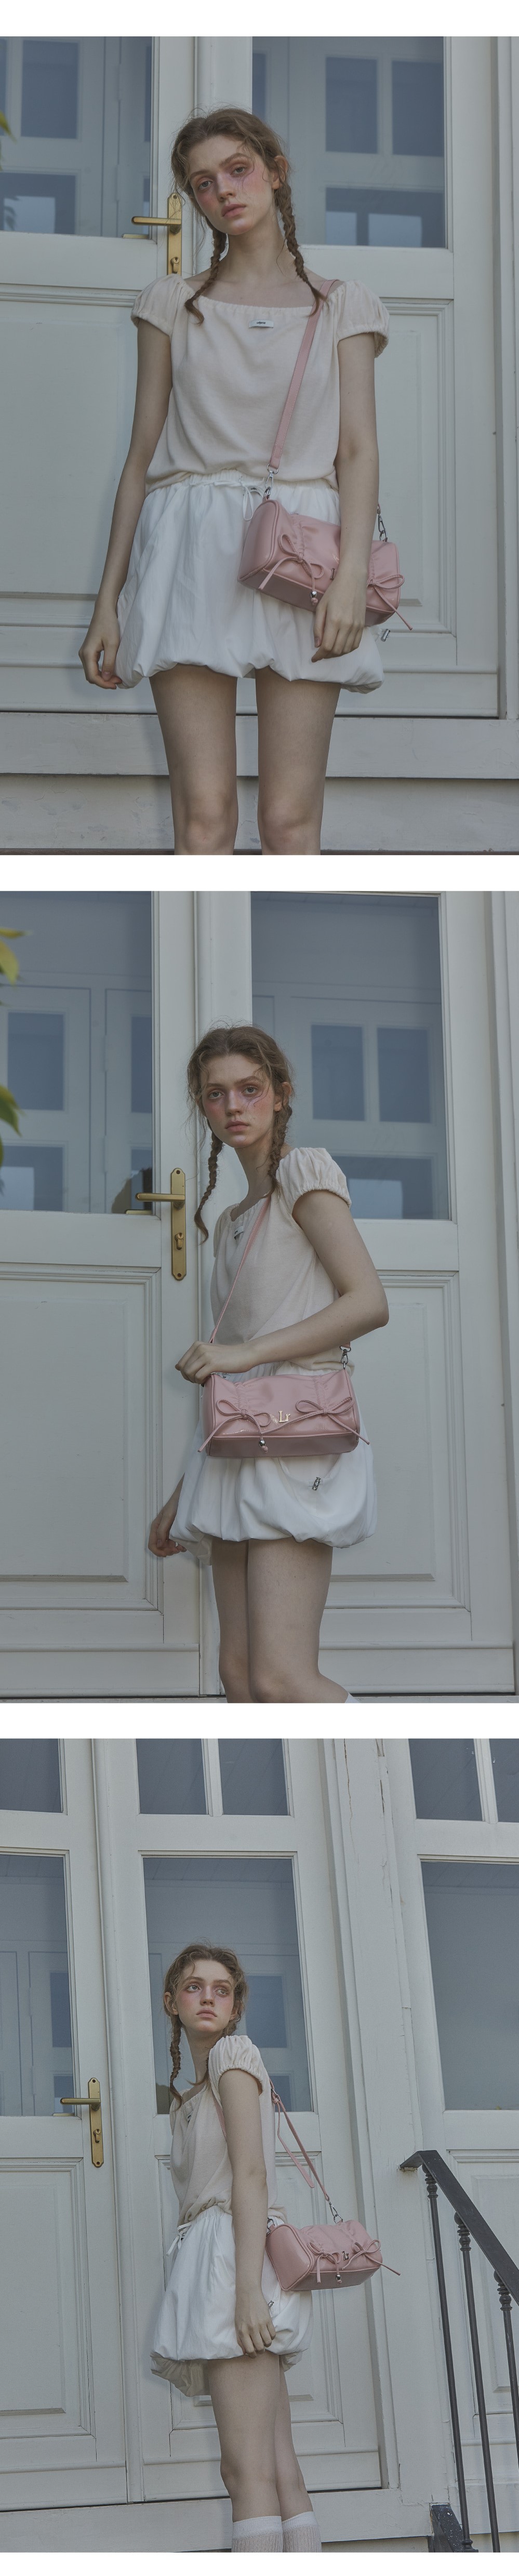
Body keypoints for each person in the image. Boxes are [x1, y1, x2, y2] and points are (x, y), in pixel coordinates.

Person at [78, 107, 390, 856]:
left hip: (305, 554)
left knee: (290, 823)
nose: (222, 190)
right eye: (202, 183)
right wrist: (108, 603)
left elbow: (357, 451)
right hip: (188, 546)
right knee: (204, 821)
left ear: (276, 172)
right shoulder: (171, 304)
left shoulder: (340, 304)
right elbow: (140, 459)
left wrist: (351, 576)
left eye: (238, 169)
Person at [148, 1023, 389, 1702]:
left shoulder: (302, 1173)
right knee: (239, 1674)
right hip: (235, 1449)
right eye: (215, 1093)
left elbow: (368, 1301)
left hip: (295, 1435)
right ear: (202, 1107)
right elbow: (235, 1375)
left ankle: (370, 1753)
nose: (233, 1105)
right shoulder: (235, 1216)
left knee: (281, 1677)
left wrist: (245, 1352)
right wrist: (185, 1490)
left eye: (250, 1089)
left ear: (281, 1095)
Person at [151, 1942, 320, 2552]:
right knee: (276, 2468)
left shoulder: (232, 2056)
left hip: (234, 2264)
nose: (208, 1998)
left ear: (236, 2006)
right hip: (227, 2259)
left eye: (222, 1990)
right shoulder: (195, 2090)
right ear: (171, 2001)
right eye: (194, 1987)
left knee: (245, 2472)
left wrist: (247, 2290)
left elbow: (250, 2175)